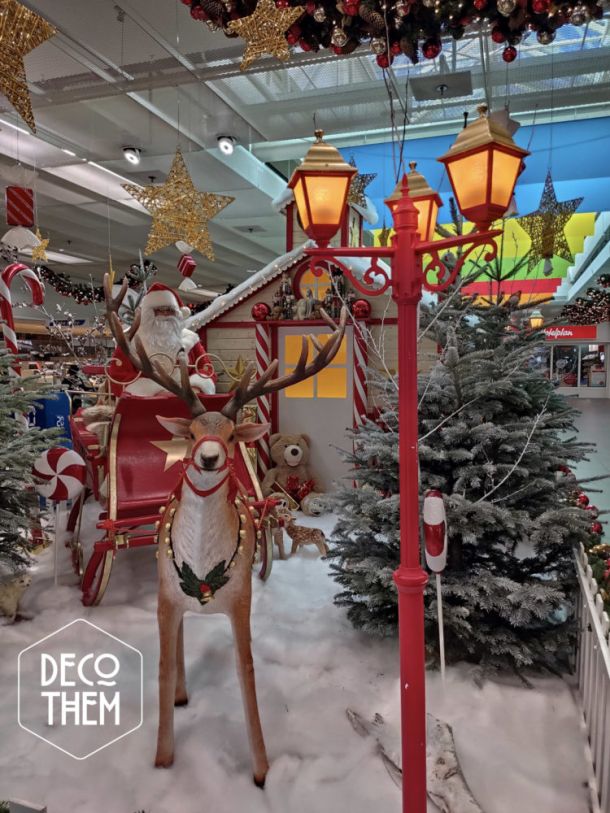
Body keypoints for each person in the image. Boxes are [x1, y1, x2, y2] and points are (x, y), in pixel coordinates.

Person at [107, 282, 216, 397]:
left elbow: (206, 368)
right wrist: (156, 392)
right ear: (148, 313)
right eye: (159, 310)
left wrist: (196, 387)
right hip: (145, 402)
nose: (165, 314)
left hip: (186, 400)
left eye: (170, 310)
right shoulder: (131, 340)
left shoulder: (190, 339)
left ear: (178, 313)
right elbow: (119, 376)